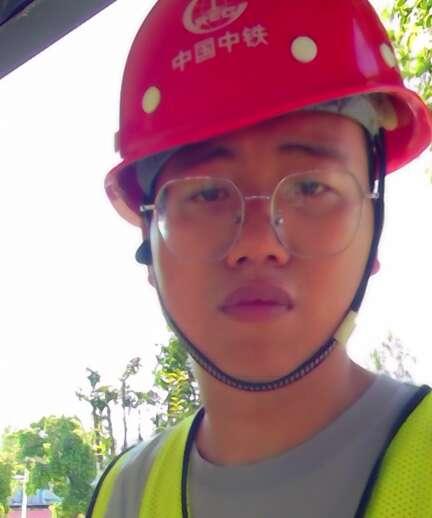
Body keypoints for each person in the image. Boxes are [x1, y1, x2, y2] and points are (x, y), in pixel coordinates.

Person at [87, 0, 432, 516]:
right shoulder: (123, 496)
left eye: (311, 188)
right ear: (148, 242)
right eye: (206, 193)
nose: (256, 242)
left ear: (373, 226)